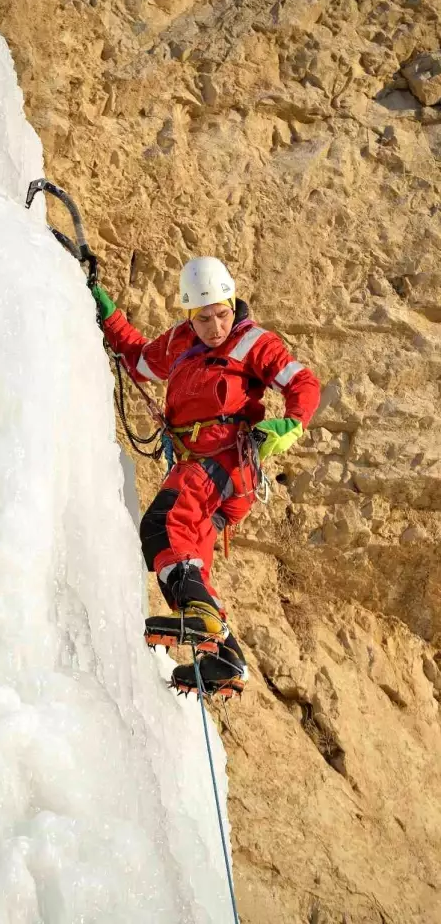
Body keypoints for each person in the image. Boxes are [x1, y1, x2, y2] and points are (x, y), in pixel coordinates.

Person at [92, 256, 320, 696]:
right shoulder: (180, 342)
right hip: (200, 468)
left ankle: (204, 620)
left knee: (160, 527)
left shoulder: (254, 342)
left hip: (226, 459)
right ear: (188, 315)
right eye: (204, 317)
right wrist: (105, 310)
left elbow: (302, 383)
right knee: (188, 562)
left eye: (222, 313)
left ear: (233, 303)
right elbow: (138, 360)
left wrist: (290, 425)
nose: (216, 326)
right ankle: (226, 657)